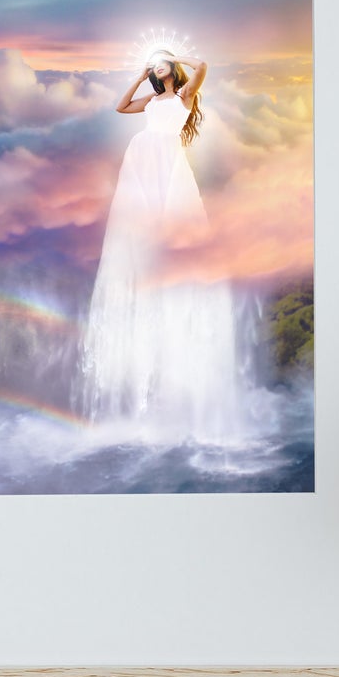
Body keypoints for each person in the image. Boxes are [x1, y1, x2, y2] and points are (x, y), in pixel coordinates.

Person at [77, 52, 242, 439]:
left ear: (172, 69)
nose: (157, 66)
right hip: (141, 156)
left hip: (167, 158)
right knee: (142, 215)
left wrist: (172, 54)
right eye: (154, 64)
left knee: (171, 211)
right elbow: (121, 107)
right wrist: (139, 77)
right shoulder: (152, 99)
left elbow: (204, 66)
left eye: (160, 63)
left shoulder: (185, 95)